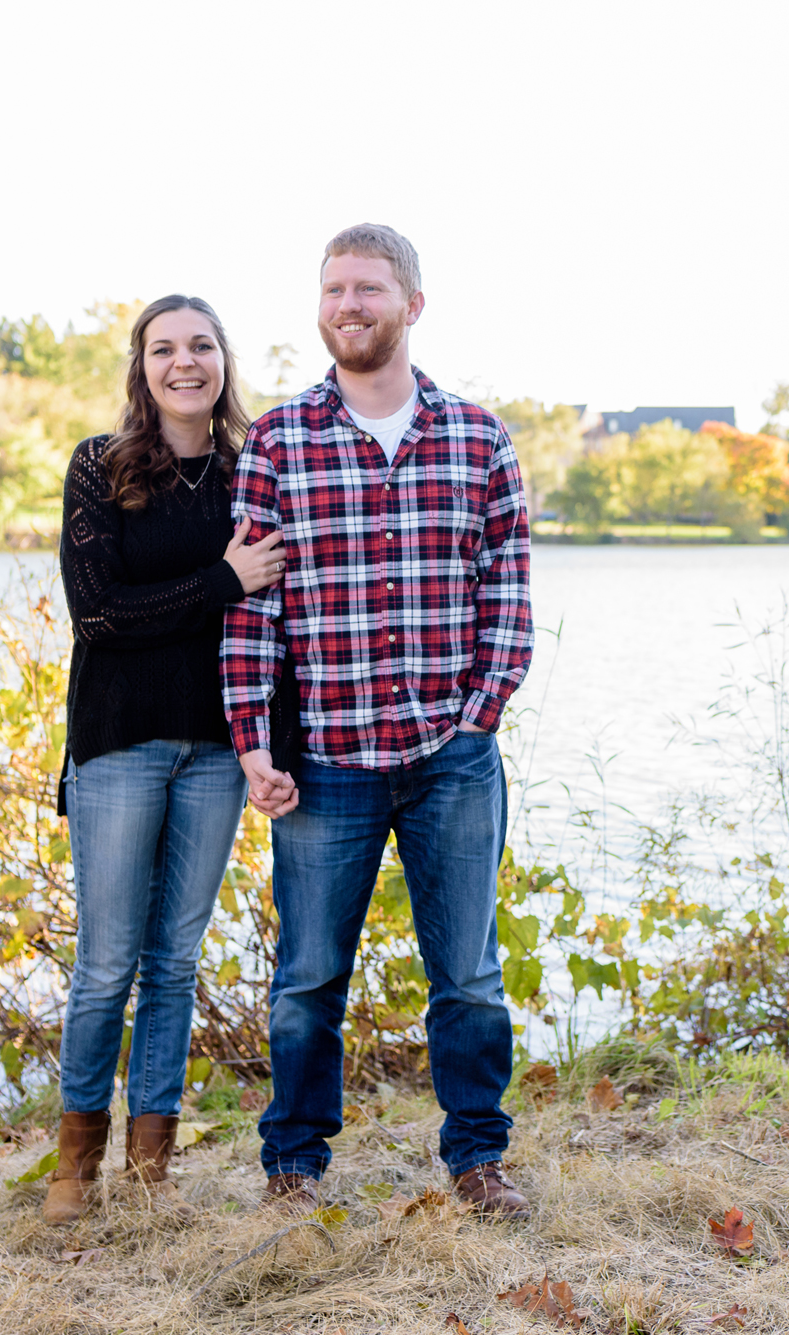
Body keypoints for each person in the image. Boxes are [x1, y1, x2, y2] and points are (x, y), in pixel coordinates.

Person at [220, 224, 534, 1217]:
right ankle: (294, 1170)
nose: (345, 305)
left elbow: (508, 598)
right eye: (331, 290)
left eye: (365, 288)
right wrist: (252, 743)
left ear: (411, 304)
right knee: (309, 979)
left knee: (469, 978)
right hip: (327, 766)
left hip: (452, 760)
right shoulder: (278, 440)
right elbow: (251, 607)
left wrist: (476, 720)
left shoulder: (477, 438)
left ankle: (478, 1160)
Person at [45, 294, 286, 1225]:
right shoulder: (99, 468)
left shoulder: (252, 469)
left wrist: (271, 743)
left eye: (200, 346)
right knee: (106, 961)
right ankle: (75, 1165)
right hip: (118, 743)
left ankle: (153, 1164)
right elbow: (98, 615)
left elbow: (274, 620)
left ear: (223, 358)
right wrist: (221, 581)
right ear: (140, 367)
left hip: (220, 747)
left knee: (175, 961)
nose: (183, 363)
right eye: (163, 349)